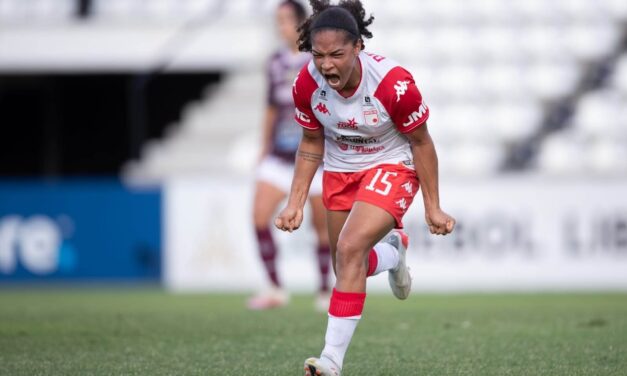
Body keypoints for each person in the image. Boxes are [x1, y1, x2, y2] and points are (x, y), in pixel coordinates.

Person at [274, 1, 456, 375]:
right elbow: (311, 143)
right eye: (318, 55)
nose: (326, 65)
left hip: (391, 163)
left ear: (358, 47)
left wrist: (433, 207)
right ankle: (392, 254)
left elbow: (421, 142)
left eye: (337, 55)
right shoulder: (306, 83)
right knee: (347, 266)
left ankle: (330, 361)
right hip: (340, 169)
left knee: (349, 246)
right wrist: (294, 203)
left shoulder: (394, 84)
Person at [248, 0, 332, 312]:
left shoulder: (318, 59)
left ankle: (324, 289)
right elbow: (271, 106)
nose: (279, 25)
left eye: (284, 19)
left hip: (316, 157)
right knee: (259, 217)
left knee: (321, 228)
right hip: (280, 156)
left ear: (300, 23)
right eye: (277, 20)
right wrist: (262, 147)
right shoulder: (274, 62)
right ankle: (274, 287)